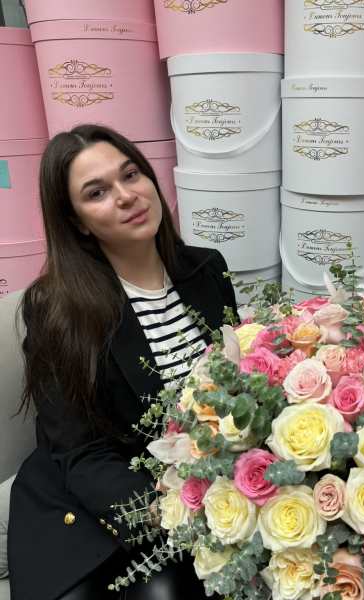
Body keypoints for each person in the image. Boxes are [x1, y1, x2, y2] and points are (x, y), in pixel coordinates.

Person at [8, 124, 237, 600]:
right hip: (94, 493)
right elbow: (78, 450)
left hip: (201, 489)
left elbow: (239, 386)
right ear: (77, 222)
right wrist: (169, 512)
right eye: (97, 192)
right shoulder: (57, 308)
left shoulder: (207, 269)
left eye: (130, 175)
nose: (126, 196)